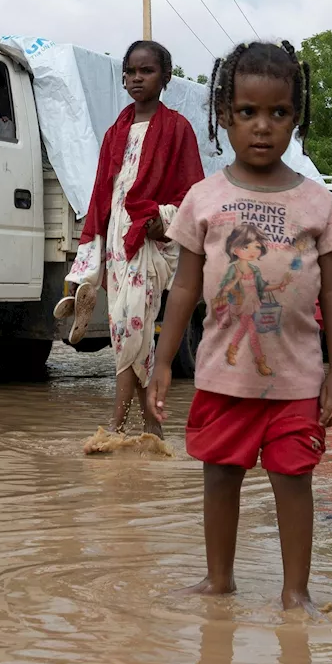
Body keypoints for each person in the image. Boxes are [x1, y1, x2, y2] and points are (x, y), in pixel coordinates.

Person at [149, 41, 332, 614]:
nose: (263, 127)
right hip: (222, 375)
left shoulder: (316, 202)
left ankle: (296, 592)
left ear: (297, 117)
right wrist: (162, 360)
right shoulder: (204, 198)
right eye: (247, 113)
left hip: (298, 380)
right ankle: (220, 581)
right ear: (223, 115)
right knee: (220, 478)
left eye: (279, 113)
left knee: (294, 482)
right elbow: (185, 287)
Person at [55, 41, 204, 438]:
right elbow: (102, 194)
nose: (137, 78)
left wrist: (163, 219)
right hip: (118, 242)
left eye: (147, 71)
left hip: (151, 241)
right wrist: (90, 258)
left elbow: (194, 193)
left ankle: (118, 425)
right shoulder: (115, 132)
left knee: (131, 326)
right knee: (126, 328)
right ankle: (151, 429)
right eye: (131, 72)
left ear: (165, 77)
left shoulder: (178, 129)